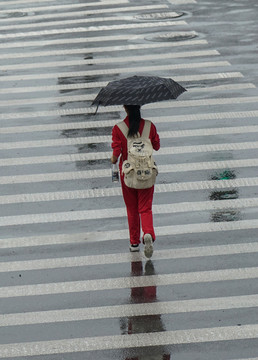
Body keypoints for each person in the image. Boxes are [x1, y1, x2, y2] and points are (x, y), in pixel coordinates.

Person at [111, 105, 160, 257]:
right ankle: (148, 233)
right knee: (145, 207)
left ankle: (133, 243)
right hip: (146, 171)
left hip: (128, 174)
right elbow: (157, 146)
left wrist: (112, 159)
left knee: (132, 208)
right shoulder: (149, 126)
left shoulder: (118, 128)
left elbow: (116, 154)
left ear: (125, 108)